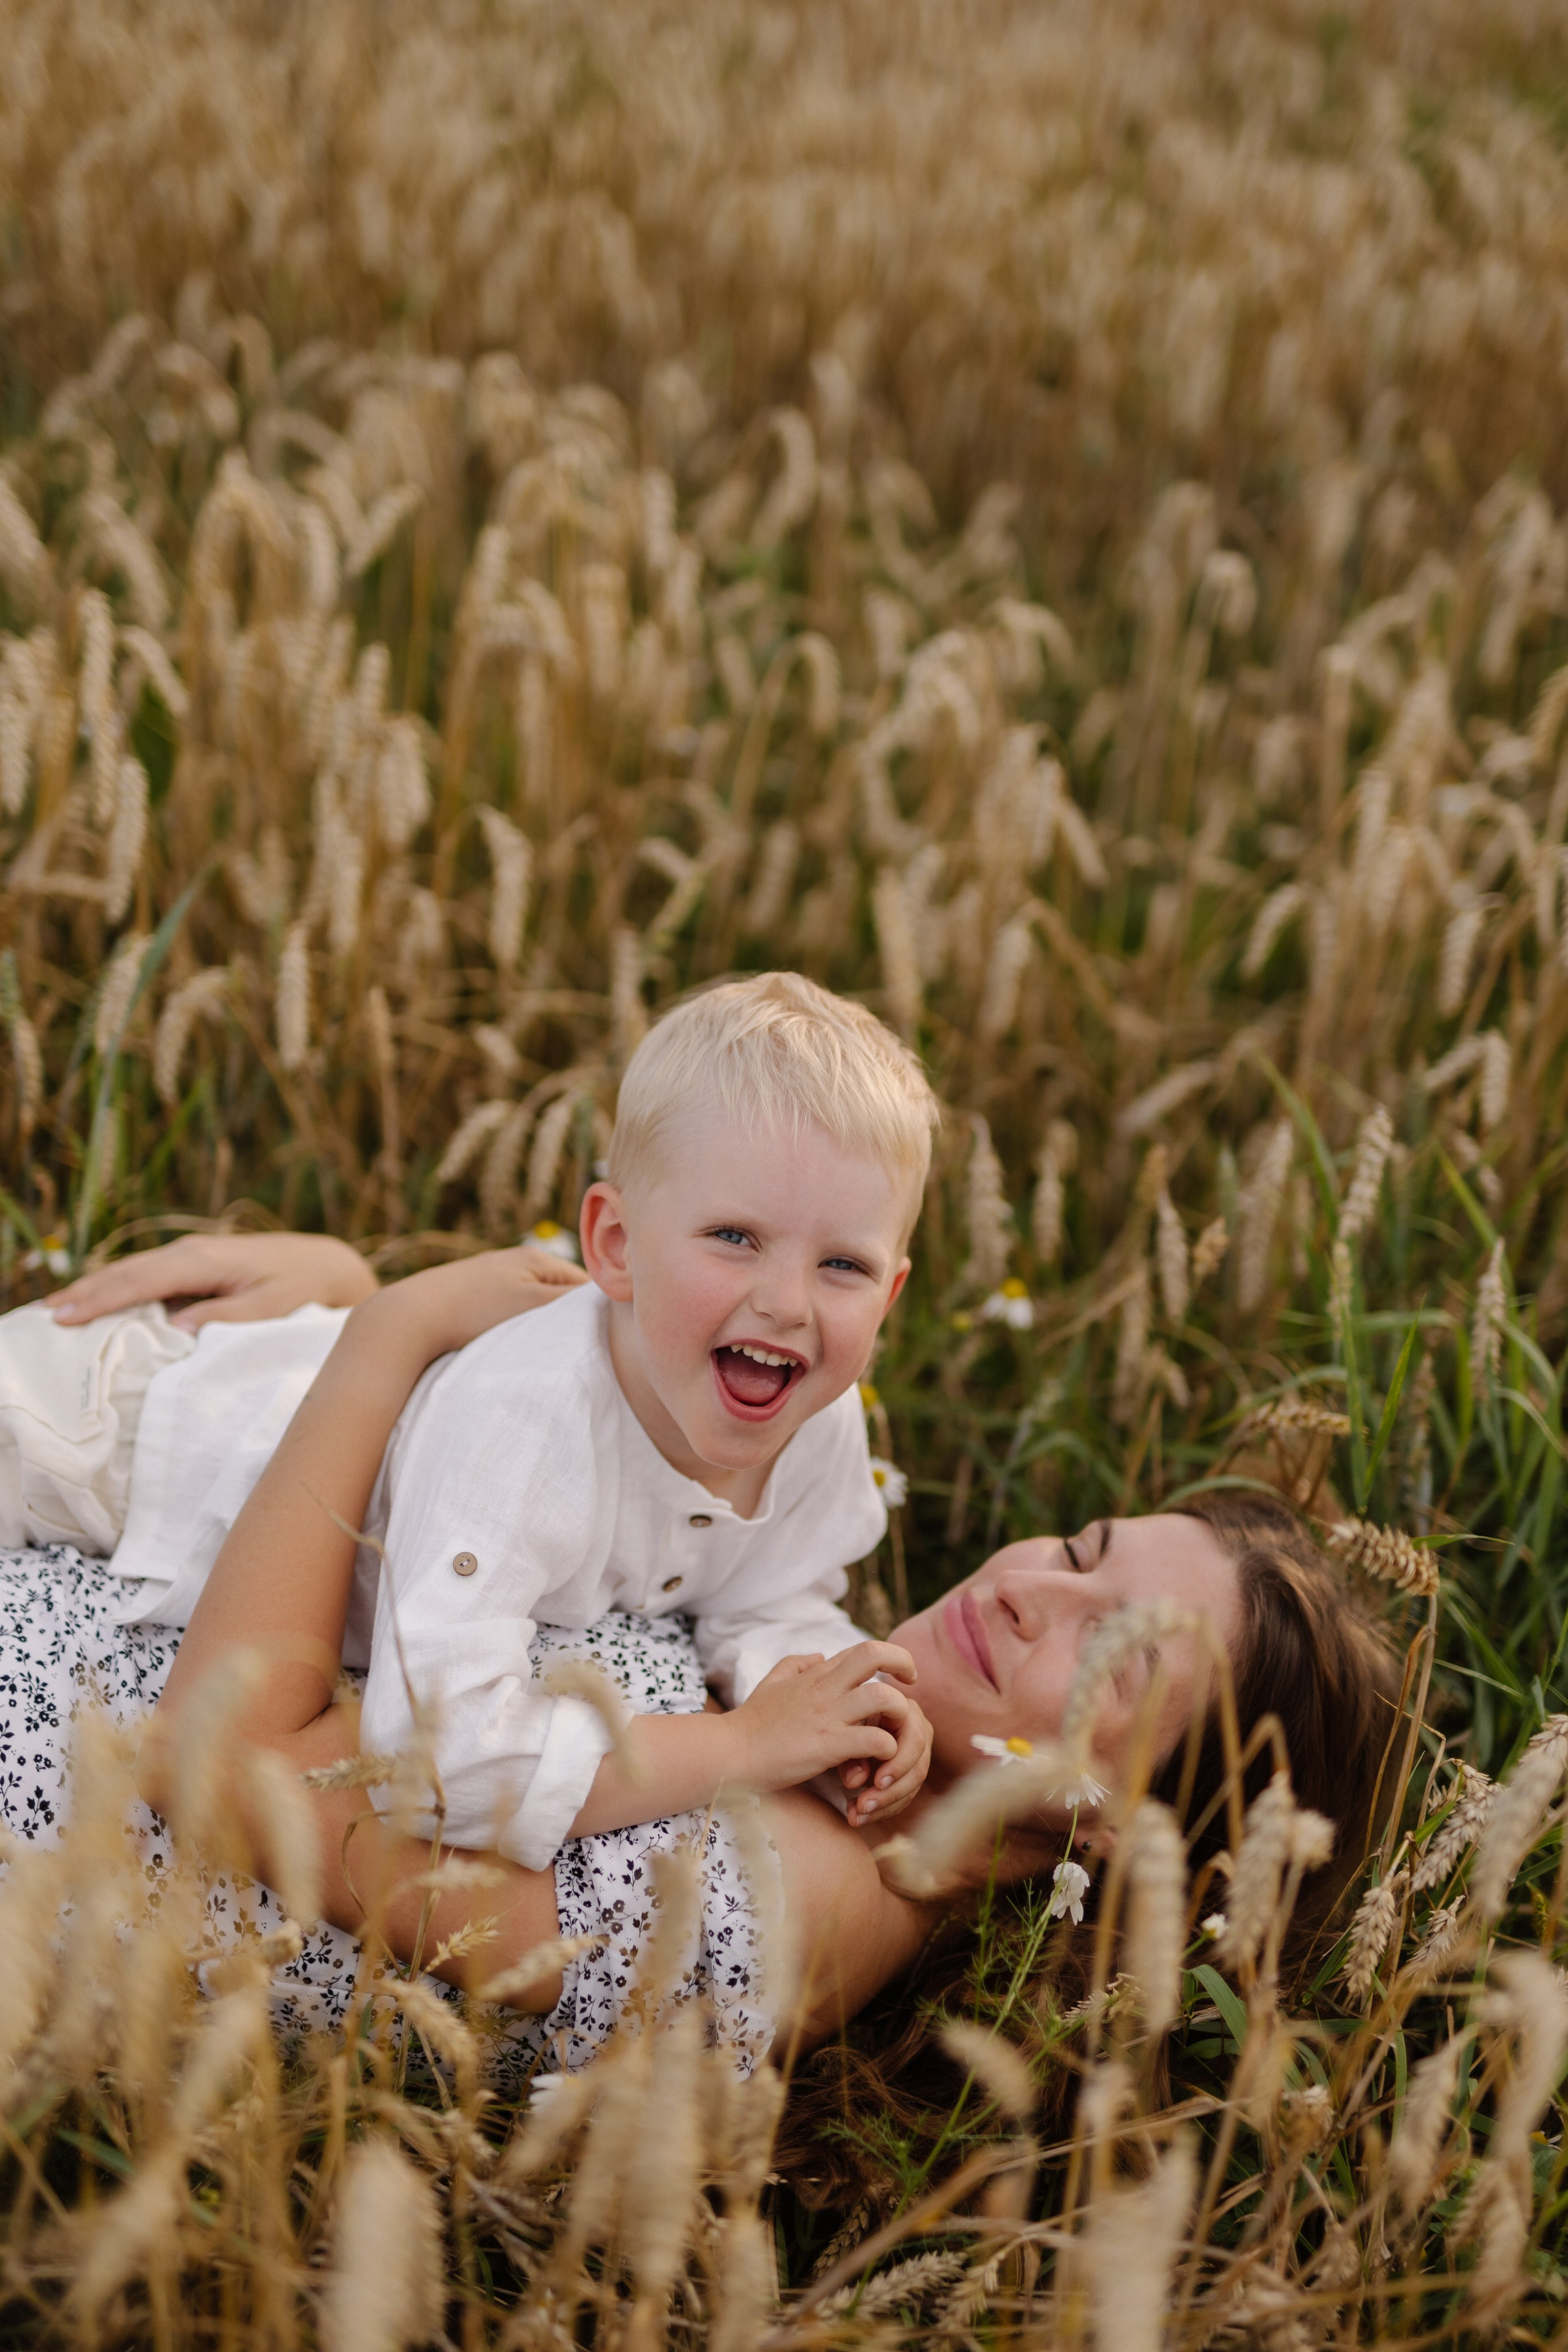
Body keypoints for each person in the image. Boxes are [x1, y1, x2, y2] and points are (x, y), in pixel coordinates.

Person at [3, 1227, 1398, 2086]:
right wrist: (325, 1299)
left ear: (1113, 1830)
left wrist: (382, 1343)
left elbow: (221, 1767)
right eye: (1083, 1551)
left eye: (1115, 1656)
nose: (1032, 1587)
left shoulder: (765, 1911)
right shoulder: (823, 1684)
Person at [2, 973, 945, 1875]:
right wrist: (741, 1744)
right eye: (734, 1238)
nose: (787, 1304)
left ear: (894, 1293)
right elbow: (435, 1754)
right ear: (616, 1246)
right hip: (95, 1437)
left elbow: (772, 1596)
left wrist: (826, 1704)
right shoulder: (528, 1417)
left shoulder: (818, 1422)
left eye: (844, 1267)